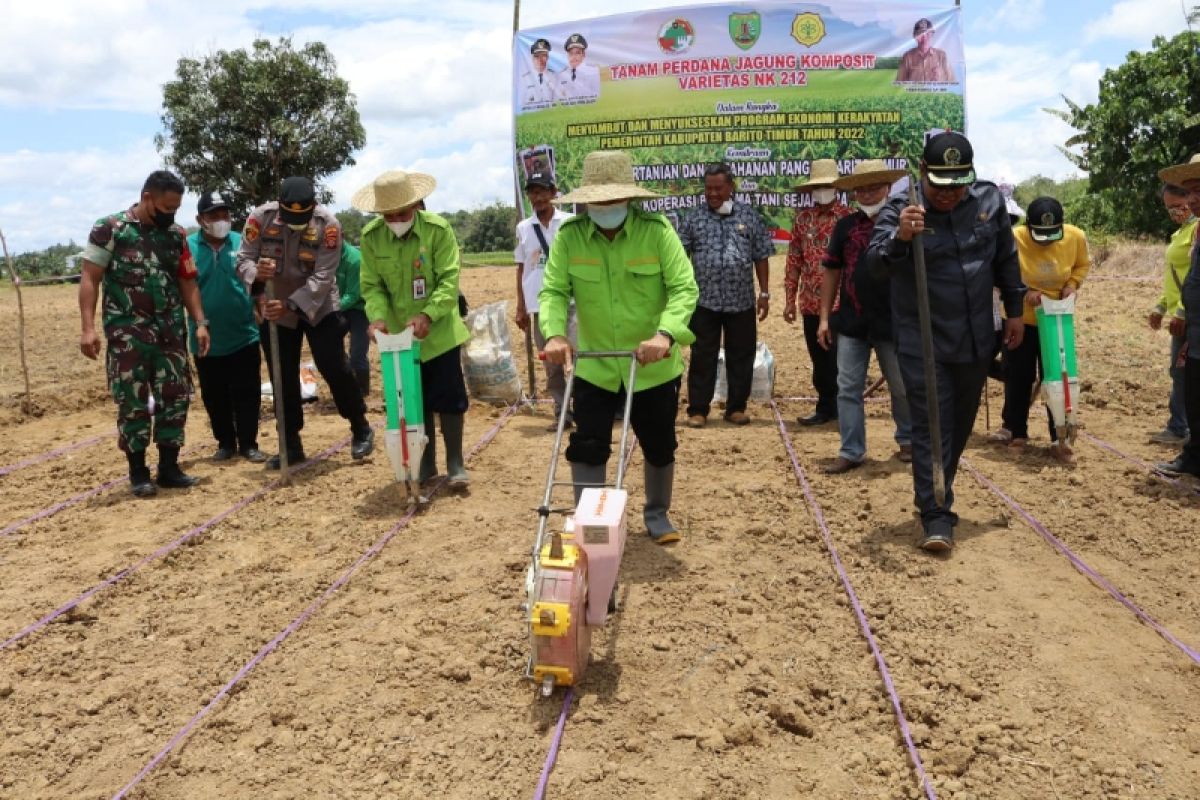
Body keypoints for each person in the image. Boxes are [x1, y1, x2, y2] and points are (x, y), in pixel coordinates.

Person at [865, 132, 1025, 552]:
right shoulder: (902, 210)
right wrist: (900, 239)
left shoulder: (988, 203)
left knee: (959, 424)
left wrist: (1014, 312)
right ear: (922, 173)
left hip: (976, 338)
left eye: (956, 184)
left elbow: (1007, 261)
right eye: (939, 185)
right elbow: (872, 269)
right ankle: (936, 512)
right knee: (931, 423)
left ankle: (938, 484)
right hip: (924, 339)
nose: (948, 194)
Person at [539, 150, 699, 544]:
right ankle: (587, 520)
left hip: (652, 366)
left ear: (629, 198)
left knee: (660, 442)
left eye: (612, 200)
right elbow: (554, 291)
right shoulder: (570, 238)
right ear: (586, 201)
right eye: (597, 201)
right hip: (595, 365)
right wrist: (555, 334)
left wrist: (665, 335)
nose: (605, 208)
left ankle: (657, 513)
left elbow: (684, 288)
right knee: (587, 444)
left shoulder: (657, 232)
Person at [78, 170, 209, 497]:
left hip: (170, 334)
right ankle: (138, 473)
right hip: (128, 337)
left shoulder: (176, 235)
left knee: (175, 398)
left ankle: (170, 467)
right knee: (132, 402)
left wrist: (200, 322)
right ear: (147, 197)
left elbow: (187, 281)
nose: (171, 214)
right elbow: (90, 278)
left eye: (175, 208)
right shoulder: (111, 229)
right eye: (165, 207)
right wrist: (88, 328)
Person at [236, 176, 375, 469]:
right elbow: (243, 259)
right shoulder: (259, 219)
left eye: (301, 217)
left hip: (318, 306)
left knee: (332, 364)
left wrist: (290, 303)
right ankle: (290, 443)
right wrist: (257, 273)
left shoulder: (329, 226)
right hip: (275, 308)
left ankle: (360, 426)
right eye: (289, 216)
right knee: (281, 374)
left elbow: (323, 277)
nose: (294, 222)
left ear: (313, 207)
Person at [354, 169, 473, 486]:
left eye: (401, 213)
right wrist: (377, 318)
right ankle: (426, 463)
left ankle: (456, 463)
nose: (395, 219)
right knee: (412, 401)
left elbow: (449, 281)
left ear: (416, 205)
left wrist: (428, 315)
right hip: (399, 339)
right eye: (387, 215)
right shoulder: (371, 237)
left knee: (449, 399)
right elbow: (372, 286)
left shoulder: (438, 230)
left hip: (440, 333)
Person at [818, 160, 912, 473]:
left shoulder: (903, 225)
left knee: (901, 385)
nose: (868, 193)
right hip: (852, 320)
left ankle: (909, 440)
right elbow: (831, 272)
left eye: (874, 187)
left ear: (888, 187)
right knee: (847, 386)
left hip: (893, 320)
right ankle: (851, 450)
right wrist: (823, 318)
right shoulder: (845, 226)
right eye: (862, 188)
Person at [989, 197, 1091, 464]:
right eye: (1040, 235)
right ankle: (1016, 431)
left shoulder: (1075, 237)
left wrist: (1072, 284)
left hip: (1056, 319)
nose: (1045, 241)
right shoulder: (1013, 237)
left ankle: (1060, 437)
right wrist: (1025, 293)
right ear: (1028, 226)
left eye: (1051, 235)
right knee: (1018, 376)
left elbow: (1082, 265)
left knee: (1058, 377)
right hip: (1020, 319)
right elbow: (998, 273)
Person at [677, 163, 774, 427]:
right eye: (708, 188)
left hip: (741, 300)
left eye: (718, 188)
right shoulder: (694, 218)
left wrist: (764, 293)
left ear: (730, 187)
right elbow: (679, 256)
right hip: (704, 300)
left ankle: (736, 408)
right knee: (702, 355)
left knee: (741, 354)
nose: (713, 194)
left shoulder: (749, 216)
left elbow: (761, 255)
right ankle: (698, 409)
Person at [188, 191, 265, 463]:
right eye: (214, 215)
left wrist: (260, 306)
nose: (221, 220)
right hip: (205, 338)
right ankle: (225, 443)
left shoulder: (243, 244)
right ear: (200, 219)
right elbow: (185, 289)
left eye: (225, 214)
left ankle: (248, 444)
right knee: (214, 394)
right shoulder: (187, 248)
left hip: (244, 333)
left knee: (248, 392)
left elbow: (257, 283)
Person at [784, 158, 850, 425]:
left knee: (841, 360)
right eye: (818, 186)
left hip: (841, 303)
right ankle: (825, 408)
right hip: (810, 302)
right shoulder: (803, 220)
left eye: (827, 186)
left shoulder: (848, 218)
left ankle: (844, 408)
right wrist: (789, 300)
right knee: (819, 359)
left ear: (836, 187)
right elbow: (794, 260)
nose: (822, 191)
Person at [514, 170, 575, 428]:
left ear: (553, 193)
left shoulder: (571, 222)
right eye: (532, 193)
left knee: (580, 358)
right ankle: (562, 413)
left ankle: (584, 409)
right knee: (551, 364)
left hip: (573, 303)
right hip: (539, 305)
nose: (537, 197)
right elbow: (521, 267)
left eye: (542, 191)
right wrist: (520, 306)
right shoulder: (524, 228)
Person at [1155, 154, 1200, 478]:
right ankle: (1193, 456)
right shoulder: (1195, 233)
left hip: (1190, 322)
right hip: (1193, 327)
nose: (1194, 197)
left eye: (1199, 189)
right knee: (1190, 385)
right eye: (1191, 190)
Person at [1149, 183, 1196, 445]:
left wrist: (1182, 311)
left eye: (1177, 206)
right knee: (1180, 371)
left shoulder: (1196, 232)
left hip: (1190, 316)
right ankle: (1181, 425)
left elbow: (1195, 279)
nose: (1174, 212)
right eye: (1169, 208)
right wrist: (1161, 306)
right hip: (1182, 314)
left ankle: (1181, 427)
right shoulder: (1180, 234)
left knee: (1184, 371)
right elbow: (1176, 278)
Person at [336, 239, 370, 398]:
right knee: (330, 347)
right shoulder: (326, 256)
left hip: (359, 309)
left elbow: (353, 295)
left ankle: (363, 391)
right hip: (340, 307)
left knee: (358, 352)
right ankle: (347, 382)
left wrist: (331, 308)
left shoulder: (355, 260)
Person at [896, 18, 955, 83]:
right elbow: (899, 83)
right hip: (914, 93)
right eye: (920, 34)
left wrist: (940, 76)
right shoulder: (907, 57)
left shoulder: (942, 55)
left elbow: (952, 81)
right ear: (915, 36)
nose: (924, 37)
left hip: (937, 93)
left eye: (927, 33)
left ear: (932, 34)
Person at [556, 33, 600, 102]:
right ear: (567, 55)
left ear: (583, 54)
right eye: (571, 53)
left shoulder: (594, 72)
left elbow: (598, 98)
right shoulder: (562, 75)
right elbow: (559, 98)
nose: (574, 57)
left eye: (577, 53)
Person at [521, 38, 557, 108]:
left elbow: (558, 102)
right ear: (532, 58)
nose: (540, 60)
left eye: (543, 55)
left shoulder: (555, 77)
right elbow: (520, 105)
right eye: (537, 56)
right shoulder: (524, 79)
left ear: (547, 57)